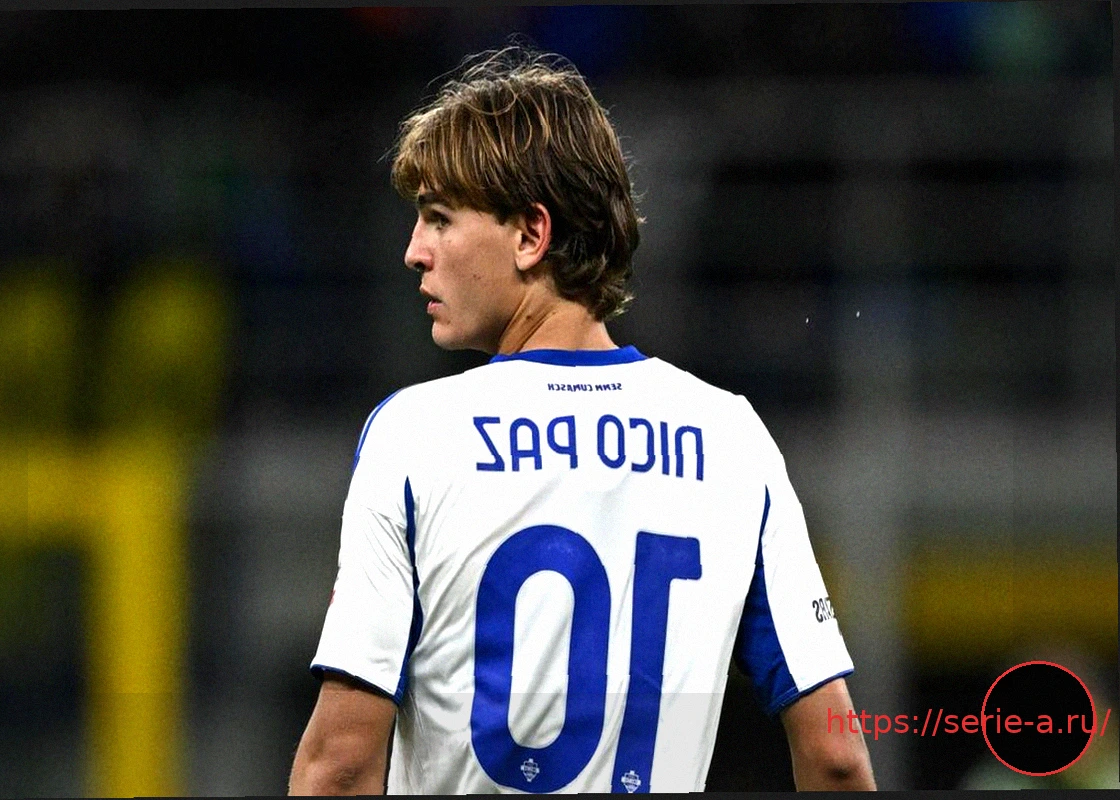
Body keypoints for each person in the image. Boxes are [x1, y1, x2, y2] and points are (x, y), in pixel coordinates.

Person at [288, 44, 875, 794]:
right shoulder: (734, 438)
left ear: (531, 235)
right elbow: (837, 755)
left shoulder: (415, 436)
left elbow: (340, 764)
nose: (413, 252)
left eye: (439, 218)